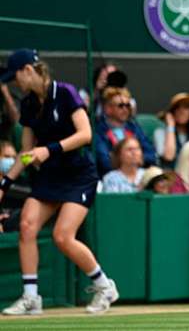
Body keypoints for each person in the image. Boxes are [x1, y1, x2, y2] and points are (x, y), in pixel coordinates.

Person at [0, 49, 118, 315]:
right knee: (27, 226)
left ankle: (104, 286)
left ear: (28, 71)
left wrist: (49, 150)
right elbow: (27, 153)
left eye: (15, 77)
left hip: (78, 176)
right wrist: (4, 185)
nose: (14, 83)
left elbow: (85, 134)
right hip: (50, 177)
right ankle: (32, 298)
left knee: (62, 236)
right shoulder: (28, 104)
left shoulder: (65, 93)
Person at [93, 87, 156, 176]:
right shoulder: (98, 131)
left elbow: (151, 155)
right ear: (108, 108)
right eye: (121, 105)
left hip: (138, 176)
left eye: (128, 105)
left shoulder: (134, 127)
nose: (125, 109)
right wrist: (136, 158)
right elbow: (105, 163)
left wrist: (121, 159)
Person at [153, 93, 189, 168]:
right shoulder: (160, 132)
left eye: (186, 108)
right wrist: (170, 126)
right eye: (177, 108)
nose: (181, 111)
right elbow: (169, 156)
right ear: (172, 112)